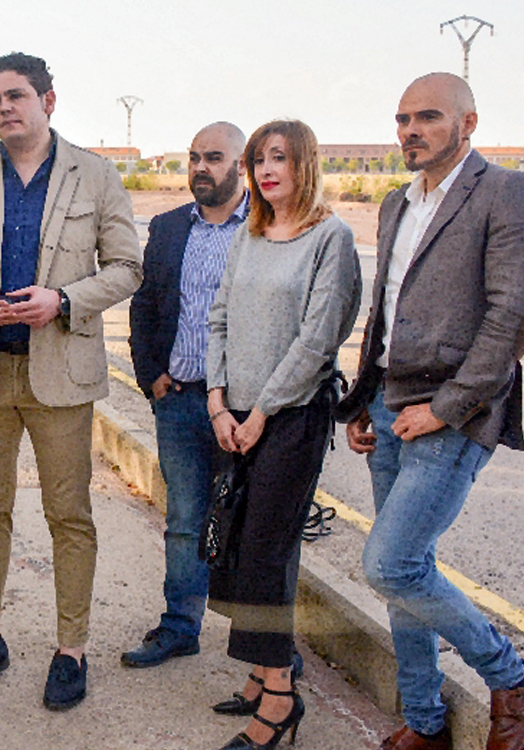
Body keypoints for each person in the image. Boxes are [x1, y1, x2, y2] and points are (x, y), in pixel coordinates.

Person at [0, 52, 142, 710]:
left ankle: (70, 649)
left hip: (61, 374)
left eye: (16, 95)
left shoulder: (96, 176)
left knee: (68, 515)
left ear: (49, 100)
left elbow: (128, 267)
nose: (4, 108)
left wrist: (65, 300)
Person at [338, 73, 524, 750]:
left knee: (391, 564)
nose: (410, 130)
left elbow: (516, 313)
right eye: (402, 119)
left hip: (454, 408)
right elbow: (385, 310)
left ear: (469, 123)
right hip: (389, 402)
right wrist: (362, 396)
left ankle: (511, 675)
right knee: (409, 568)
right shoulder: (398, 203)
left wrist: (449, 407)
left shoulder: (508, 191)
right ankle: (425, 723)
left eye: (428, 116)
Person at [204, 119, 361, 750]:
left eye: (281, 158)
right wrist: (218, 401)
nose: (268, 170)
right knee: (237, 544)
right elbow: (217, 318)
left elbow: (319, 339)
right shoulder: (250, 233)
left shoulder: (333, 237)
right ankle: (263, 669)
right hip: (233, 412)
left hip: (290, 418)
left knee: (267, 551)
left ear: (306, 164)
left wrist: (260, 412)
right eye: (259, 160)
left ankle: (279, 698)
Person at [123, 122, 249, 668]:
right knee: (184, 519)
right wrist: (151, 374)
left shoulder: (266, 228)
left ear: (240, 165)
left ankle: (260, 643)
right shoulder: (171, 226)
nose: (201, 167)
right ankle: (180, 626)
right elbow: (145, 304)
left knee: (249, 523)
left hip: (244, 408)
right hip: (179, 402)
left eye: (214, 157)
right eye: (194, 158)